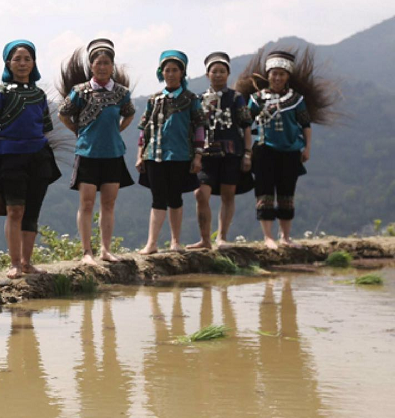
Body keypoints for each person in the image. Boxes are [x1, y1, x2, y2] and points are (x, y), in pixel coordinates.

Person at [236, 48, 334, 249]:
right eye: (274, 73)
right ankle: (268, 237)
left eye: (281, 74)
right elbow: (246, 123)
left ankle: (285, 237)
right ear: (268, 75)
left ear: (287, 76)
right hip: (264, 150)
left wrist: (307, 148)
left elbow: (305, 125)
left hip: (290, 151)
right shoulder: (257, 99)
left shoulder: (296, 100)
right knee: (264, 192)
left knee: (286, 193)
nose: (277, 77)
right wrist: (245, 149)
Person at [58, 38, 135, 265]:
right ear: (91, 66)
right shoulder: (80, 92)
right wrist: (77, 131)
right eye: (98, 63)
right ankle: (86, 252)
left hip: (113, 154)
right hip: (88, 154)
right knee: (87, 203)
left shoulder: (121, 93)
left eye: (106, 63)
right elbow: (63, 113)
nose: (102, 67)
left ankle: (106, 249)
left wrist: (118, 130)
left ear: (113, 66)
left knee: (109, 204)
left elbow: (129, 113)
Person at [0, 40, 61, 279]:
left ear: (34, 63)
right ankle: (15, 263)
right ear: (8, 63)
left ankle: (27, 262)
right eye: (17, 59)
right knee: (14, 210)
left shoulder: (38, 94)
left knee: (31, 211)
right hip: (9, 156)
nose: (22, 63)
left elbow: (45, 127)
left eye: (27, 59)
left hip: (38, 157)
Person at [136, 50, 206, 253]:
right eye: (167, 70)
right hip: (154, 155)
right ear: (161, 73)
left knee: (175, 197)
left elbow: (200, 128)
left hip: (180, 155)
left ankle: (175, 241)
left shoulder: (191, 99)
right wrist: (140, 155)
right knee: (157, 198)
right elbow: (144, 130)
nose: (171, 73)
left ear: (182, 73)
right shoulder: (154, 99)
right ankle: (152, 243)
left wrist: (198, 155)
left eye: (175, 70)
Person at [186, 52, 253, 250]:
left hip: (232, 153)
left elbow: (246, 125)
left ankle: (222, 237)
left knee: (228, 195)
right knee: (200, 194)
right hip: (205, 155)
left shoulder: (236, 98)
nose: (218, 75)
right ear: (208, 74)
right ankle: (205, 240)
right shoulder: (199, 99)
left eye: (222, 71)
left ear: (228, 74)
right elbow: (194, 128)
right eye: (214, 71)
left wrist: (248, 153)